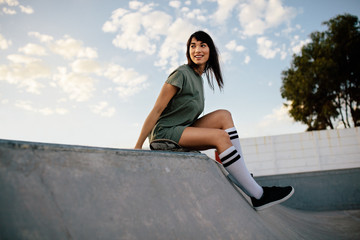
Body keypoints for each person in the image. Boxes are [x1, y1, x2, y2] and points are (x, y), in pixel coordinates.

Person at [135, 30, 294, 210]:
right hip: (165, 134)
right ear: (188, 52)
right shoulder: (181, 74)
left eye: (202, 45)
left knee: (223, 115)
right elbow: (156, 110)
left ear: (210, 50)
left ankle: (244, 176)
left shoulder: (198, 79)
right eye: (192, 46)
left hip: (182, 128)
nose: (197, 50)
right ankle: (259, 195)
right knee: (220, 137)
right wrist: (138, 146)